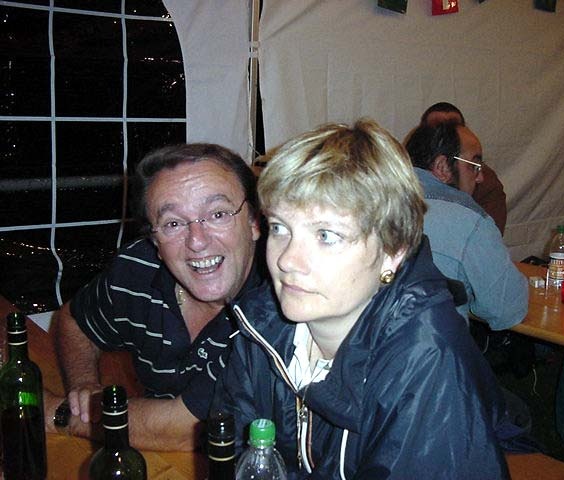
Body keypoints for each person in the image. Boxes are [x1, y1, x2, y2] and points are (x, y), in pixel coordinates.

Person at [219, 119, 531, 478]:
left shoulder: (425, 359)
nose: (287, 259)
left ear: (392, 252)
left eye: (326, 235)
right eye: (279, 228)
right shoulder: (259, 327)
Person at [46, 143, 265, 451]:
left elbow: (184, 428)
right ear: (155, 241)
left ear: (254, 222)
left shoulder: (277, 306)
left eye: (218, 214)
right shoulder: (137, 268)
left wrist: (57, 414)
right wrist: (84, 385)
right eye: (173, 223)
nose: (197, 241)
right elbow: (73, 321)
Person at [405, 122, 527, 331]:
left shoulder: (367, 204)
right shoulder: (470, 221)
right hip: (428, 348)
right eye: (474, 166)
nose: (480, 177)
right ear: (442, 167)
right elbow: (508, 310)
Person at [420, 102, 507, 235]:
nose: (446, 134)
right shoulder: (399, 174)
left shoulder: (485, 181)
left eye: (454, 127)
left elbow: (488, 235)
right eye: (437, 127)